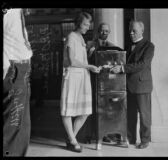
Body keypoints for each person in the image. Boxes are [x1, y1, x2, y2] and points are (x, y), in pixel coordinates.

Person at [60, 12, 100, 153]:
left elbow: (79, 59)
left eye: (89, 25)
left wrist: (88, 53)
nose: (87, 27)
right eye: (85, 24)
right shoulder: (71, 36)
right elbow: (71, 61)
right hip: (72, 76)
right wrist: (89, 66)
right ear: (78, 24)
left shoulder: (80, 37)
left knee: (85, 111)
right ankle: (72, 140)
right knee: (68, 110)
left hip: (82, 76)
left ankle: (71, 138)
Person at [111, 20, 155, 149]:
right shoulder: (128, 45)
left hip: (142, 86)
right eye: (130, 30)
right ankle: (130, 139)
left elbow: (142, 64)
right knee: (129, 114)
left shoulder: (149, 46)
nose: (131, 33)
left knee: (144, 115)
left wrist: (122, 68)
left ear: (142, 30)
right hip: (129, 85)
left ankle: (145, 140)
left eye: (134, 31)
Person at [3, 8, 32, 156]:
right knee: (13, 128)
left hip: (20, 68)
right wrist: (6, 66)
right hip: (14, 69)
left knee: (21, 128)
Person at [87, 23, 122, 143]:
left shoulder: (113, 46)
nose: (104, 33)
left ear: (109, 33)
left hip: (106, 82)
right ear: (98, 31)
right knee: (92, 108)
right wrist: (90, 53)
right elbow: (84, 61)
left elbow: (116, 61)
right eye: (102, 31)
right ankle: (92, 135)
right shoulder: (89, 44)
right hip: (92, 80)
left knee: (105, 108)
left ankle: (104, 133)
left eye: (106, 31)